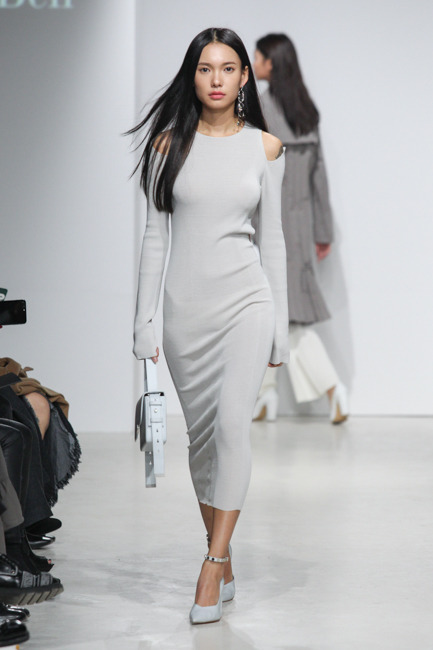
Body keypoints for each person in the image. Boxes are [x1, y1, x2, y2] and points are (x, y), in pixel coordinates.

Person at [129, 27, 290, 624]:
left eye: (227, 68)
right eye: (205, 68)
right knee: (201, 446)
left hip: (247, 304)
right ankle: (223, 557)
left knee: (229, 428)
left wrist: (281, 326)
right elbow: (154, 238)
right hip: (184, 315)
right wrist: (143, 319)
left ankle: (212, 563)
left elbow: (273, 242)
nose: (216, 79)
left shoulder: (266, 149)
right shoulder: (167, 146)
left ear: (245, 76)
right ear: (192, 76)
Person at [253, 33, 349, 424]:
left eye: (257, 56)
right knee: (269, 311)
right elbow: (318, 178)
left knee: (284, 315)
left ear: (271, 63)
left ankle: (331, 388)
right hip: (300, 224)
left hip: (267, 224)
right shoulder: (306, 111)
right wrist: (322, 231)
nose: (253, 62)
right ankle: (265, 394)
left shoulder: (260, 109)